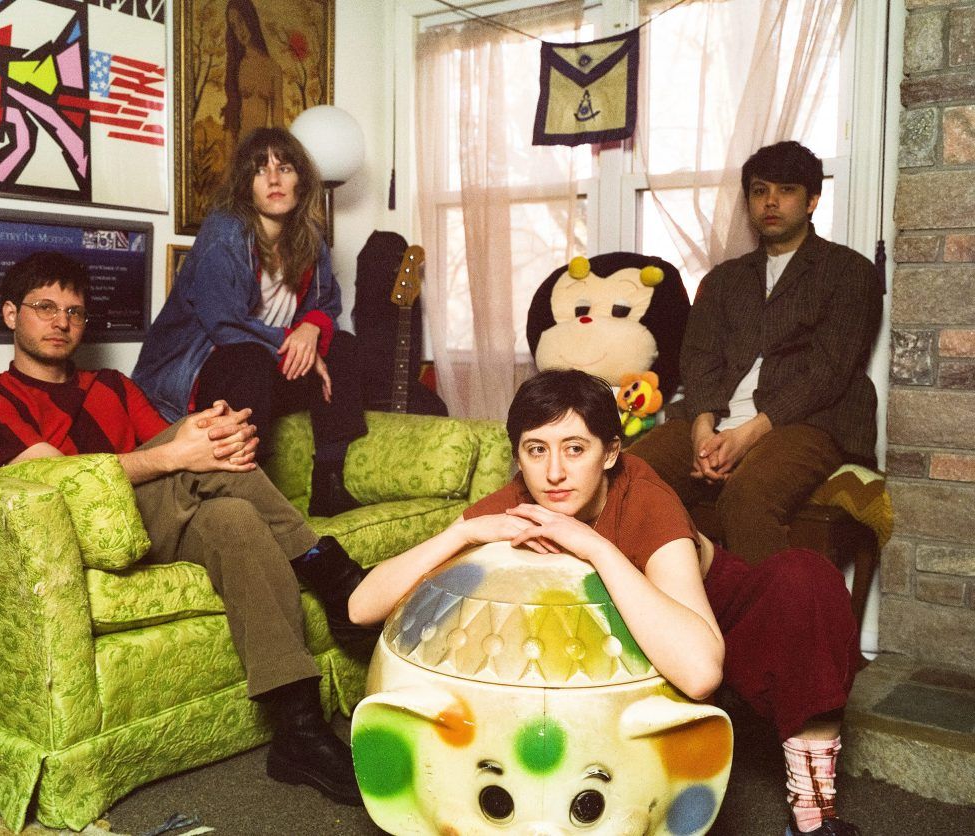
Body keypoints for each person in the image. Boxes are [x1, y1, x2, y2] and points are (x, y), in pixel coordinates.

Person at [349, 369, 862, 836]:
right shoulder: (520, 501)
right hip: (630, 646)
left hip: (717, 615)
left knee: (805, 578)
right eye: (536, 450)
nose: (554, 472)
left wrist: (595, 547)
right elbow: (361, 607)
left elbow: (701, 672)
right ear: (518, 457)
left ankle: (814, 812)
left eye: (575, 449)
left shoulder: (647, 498)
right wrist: (462, 533)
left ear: (611, 453)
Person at [0, 252, 369, 806]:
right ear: (11, 314)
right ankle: (335, 575)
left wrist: (223, 438)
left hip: (157, 519)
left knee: (235, 517)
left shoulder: (113, 385)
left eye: (74, 312)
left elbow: (185, 452)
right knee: (200, 448)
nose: (61, 322)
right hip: (79, 534)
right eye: (45, 308)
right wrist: (182, 453)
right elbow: (53, 481)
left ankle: (298, 728)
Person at [631, 141, 883, 564]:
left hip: (808, 424)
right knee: (628, 476)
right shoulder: (724, 279)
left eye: (786, 190)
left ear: (812, 201)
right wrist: (702, 430)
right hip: (713, 416)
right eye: (760, 190)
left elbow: (828, 372)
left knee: (747, 498)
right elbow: (699, 358)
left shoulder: (849, 271)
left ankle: (769, 609)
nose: (770, 201)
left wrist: (747, 435)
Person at [133, 127, 366, 517]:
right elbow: (224, 324)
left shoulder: (310, 237)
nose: (274, 180)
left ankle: (329, 481)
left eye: (284, 168)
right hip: (199, 374)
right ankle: (241, 493)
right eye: (260, 170)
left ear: (301, 180)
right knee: (249, 359)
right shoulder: (224, 233)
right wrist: (293, 341)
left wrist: (311, 328)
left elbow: (327, 303)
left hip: (267, 370)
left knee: (342, 347)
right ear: (246, 185)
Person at [221, 0, 285, 153]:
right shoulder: (237, 66)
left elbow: (278, 124)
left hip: (261, 150)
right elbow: (231, 122)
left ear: (250, 19)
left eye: (241, 21)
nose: (239, 30)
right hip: (239, 149)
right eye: (234, 26)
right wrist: (230, 162)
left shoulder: (273, 68)